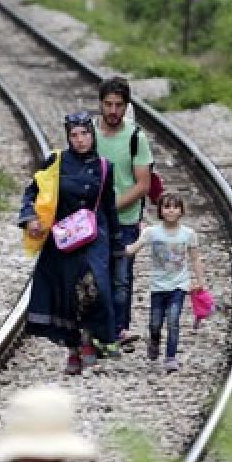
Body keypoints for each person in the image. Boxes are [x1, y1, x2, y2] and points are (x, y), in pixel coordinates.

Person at [19, 111, 122, 374]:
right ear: (68, 136)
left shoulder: (104, 166)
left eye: (85, 134)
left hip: (94, 235)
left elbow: (109, 207)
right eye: (74, 135)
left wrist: (117, 243)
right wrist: (30, 219)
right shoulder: (56, 161)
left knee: (94, 286)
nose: (80, 140)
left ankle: (89, 340)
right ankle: (75, 348)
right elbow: (33, 191)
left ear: (93, 134)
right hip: (62, 236)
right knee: (67, 293)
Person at [94, 76, 154, 351]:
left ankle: (119, 330)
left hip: (125, 219)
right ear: (100, 105)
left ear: (126, 106)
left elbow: (143, 184)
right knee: (95, 276)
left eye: (119, 105)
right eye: (108, 104)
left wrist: (112, 205)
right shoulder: (89, 134)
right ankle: (100, 331)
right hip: (93, 220)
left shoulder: (135, 138)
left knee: (121, 277)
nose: (113, 110)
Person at [125, 193, 206, 371]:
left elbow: (195, 258)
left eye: (175, 207)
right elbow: (133, 248)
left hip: (179, 285)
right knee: (155, 322)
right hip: (158, 285)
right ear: (160, 210)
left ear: (181, 211)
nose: (171, 211)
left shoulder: (188, 234)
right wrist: (118, 248)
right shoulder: (152, 232)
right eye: (167, 207)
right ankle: (154, 341)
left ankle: (170, 357)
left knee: (173, 320)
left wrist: (200, 281)